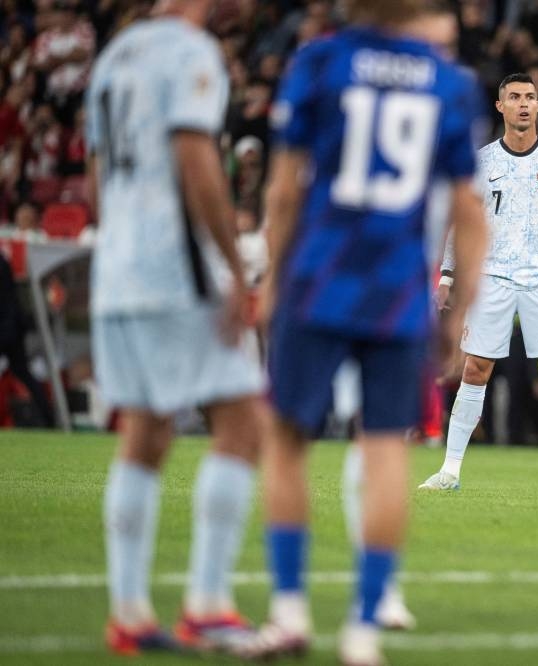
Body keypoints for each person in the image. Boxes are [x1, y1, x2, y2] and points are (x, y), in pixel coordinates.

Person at [243, 0, 488, 662]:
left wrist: (272, 279)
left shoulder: (319, 61)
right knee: (385, 450)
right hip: (398, 290)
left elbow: (287, 189)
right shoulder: (451, 83)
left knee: (288, 441)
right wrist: (461, 308)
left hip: (319, 278)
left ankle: (289, 614)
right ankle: (364, 629)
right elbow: (468, 209)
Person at [85, 0, 265, 656]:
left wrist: (120, 246)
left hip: (117, 270)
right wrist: (232, 264)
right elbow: (195, 158)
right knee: (245, 423)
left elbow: (97, 174)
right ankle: (208, 605)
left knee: (145, 433)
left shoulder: (115, 56)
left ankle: (129, 614)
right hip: (176, 271)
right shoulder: (192, 53)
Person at [419, 72, 538, 491]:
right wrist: (447, 274)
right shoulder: (482, 161)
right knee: (475, 368)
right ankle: (450, 471)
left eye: (531, 97)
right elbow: (460, 224)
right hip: (492, 276)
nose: (524, 103)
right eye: (515, 97)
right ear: (500, 106)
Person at [0, 251, 54, 427]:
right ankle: (48, 418)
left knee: (22, 372)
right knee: (23, 372)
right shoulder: (3, 260)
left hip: (7, 327)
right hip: (13, 326)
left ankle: (48, 417)